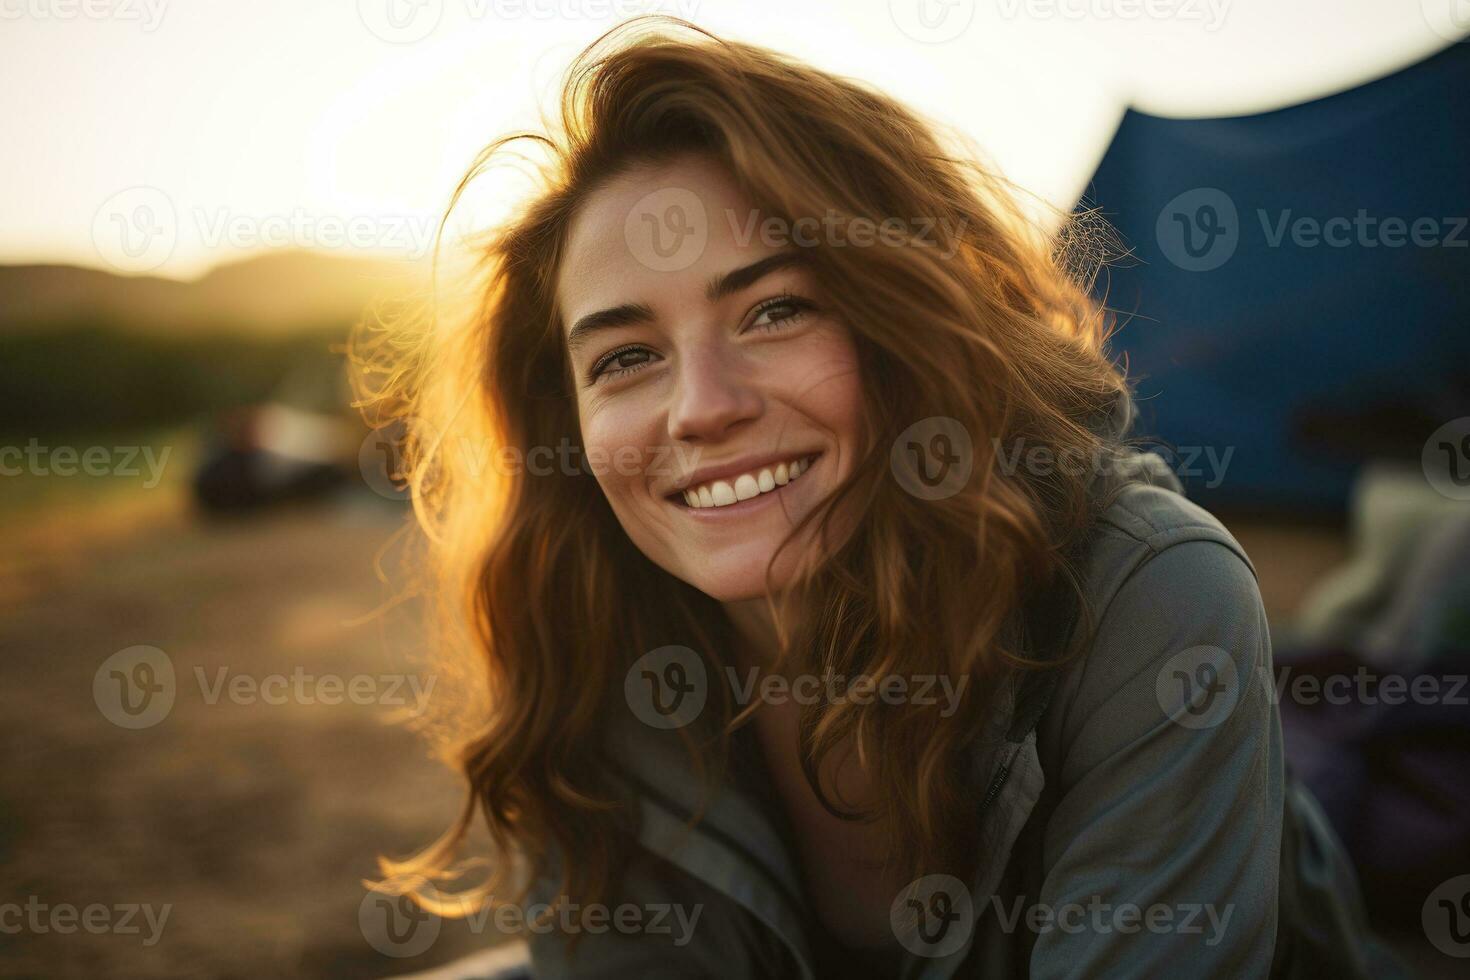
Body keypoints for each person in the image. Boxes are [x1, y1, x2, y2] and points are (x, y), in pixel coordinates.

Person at [356, 20, 1402, 978]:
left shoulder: (1151, 596)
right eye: (626, 356)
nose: (700, 408)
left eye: (773, 309)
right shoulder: (591, 640)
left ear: (913, 326)